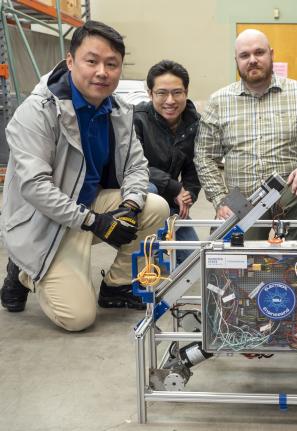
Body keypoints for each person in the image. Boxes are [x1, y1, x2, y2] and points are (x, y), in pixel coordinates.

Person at [0, 21, 169, 331]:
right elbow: (35, 188)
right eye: (92, 61)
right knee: (78, 319)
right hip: (45, 223)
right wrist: (94, 222)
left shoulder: (118, 110)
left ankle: (117, 285)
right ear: (70, 61)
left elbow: (136, 166)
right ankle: (23, 269)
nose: (102, 72)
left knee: (155, 207)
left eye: (111, 64)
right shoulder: (37, 112)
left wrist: (129, 207)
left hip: (89, 210)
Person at [194, 29, 297, 240]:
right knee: (230, 259)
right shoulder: (219, 102)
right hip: (241, 198)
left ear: (271, 54)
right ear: (236, 60)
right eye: (244, 55)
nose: (252, 60)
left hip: (291, 191)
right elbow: (204, 155)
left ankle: (293, 260)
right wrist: (220, 198)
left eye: (259, 53)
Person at [134, 60, 201, 262]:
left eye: (177, 92)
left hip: (172, 201)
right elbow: (135, 166)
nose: (170, 100)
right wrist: (175, 188)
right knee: (150, 193)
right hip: (141, 193)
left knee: (193, 260)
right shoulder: (138, 119)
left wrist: (188, 193)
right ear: (150, 93)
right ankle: (143, 249)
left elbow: (194, 168)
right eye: (162, 93)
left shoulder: (194, 124)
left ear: (186, 92)